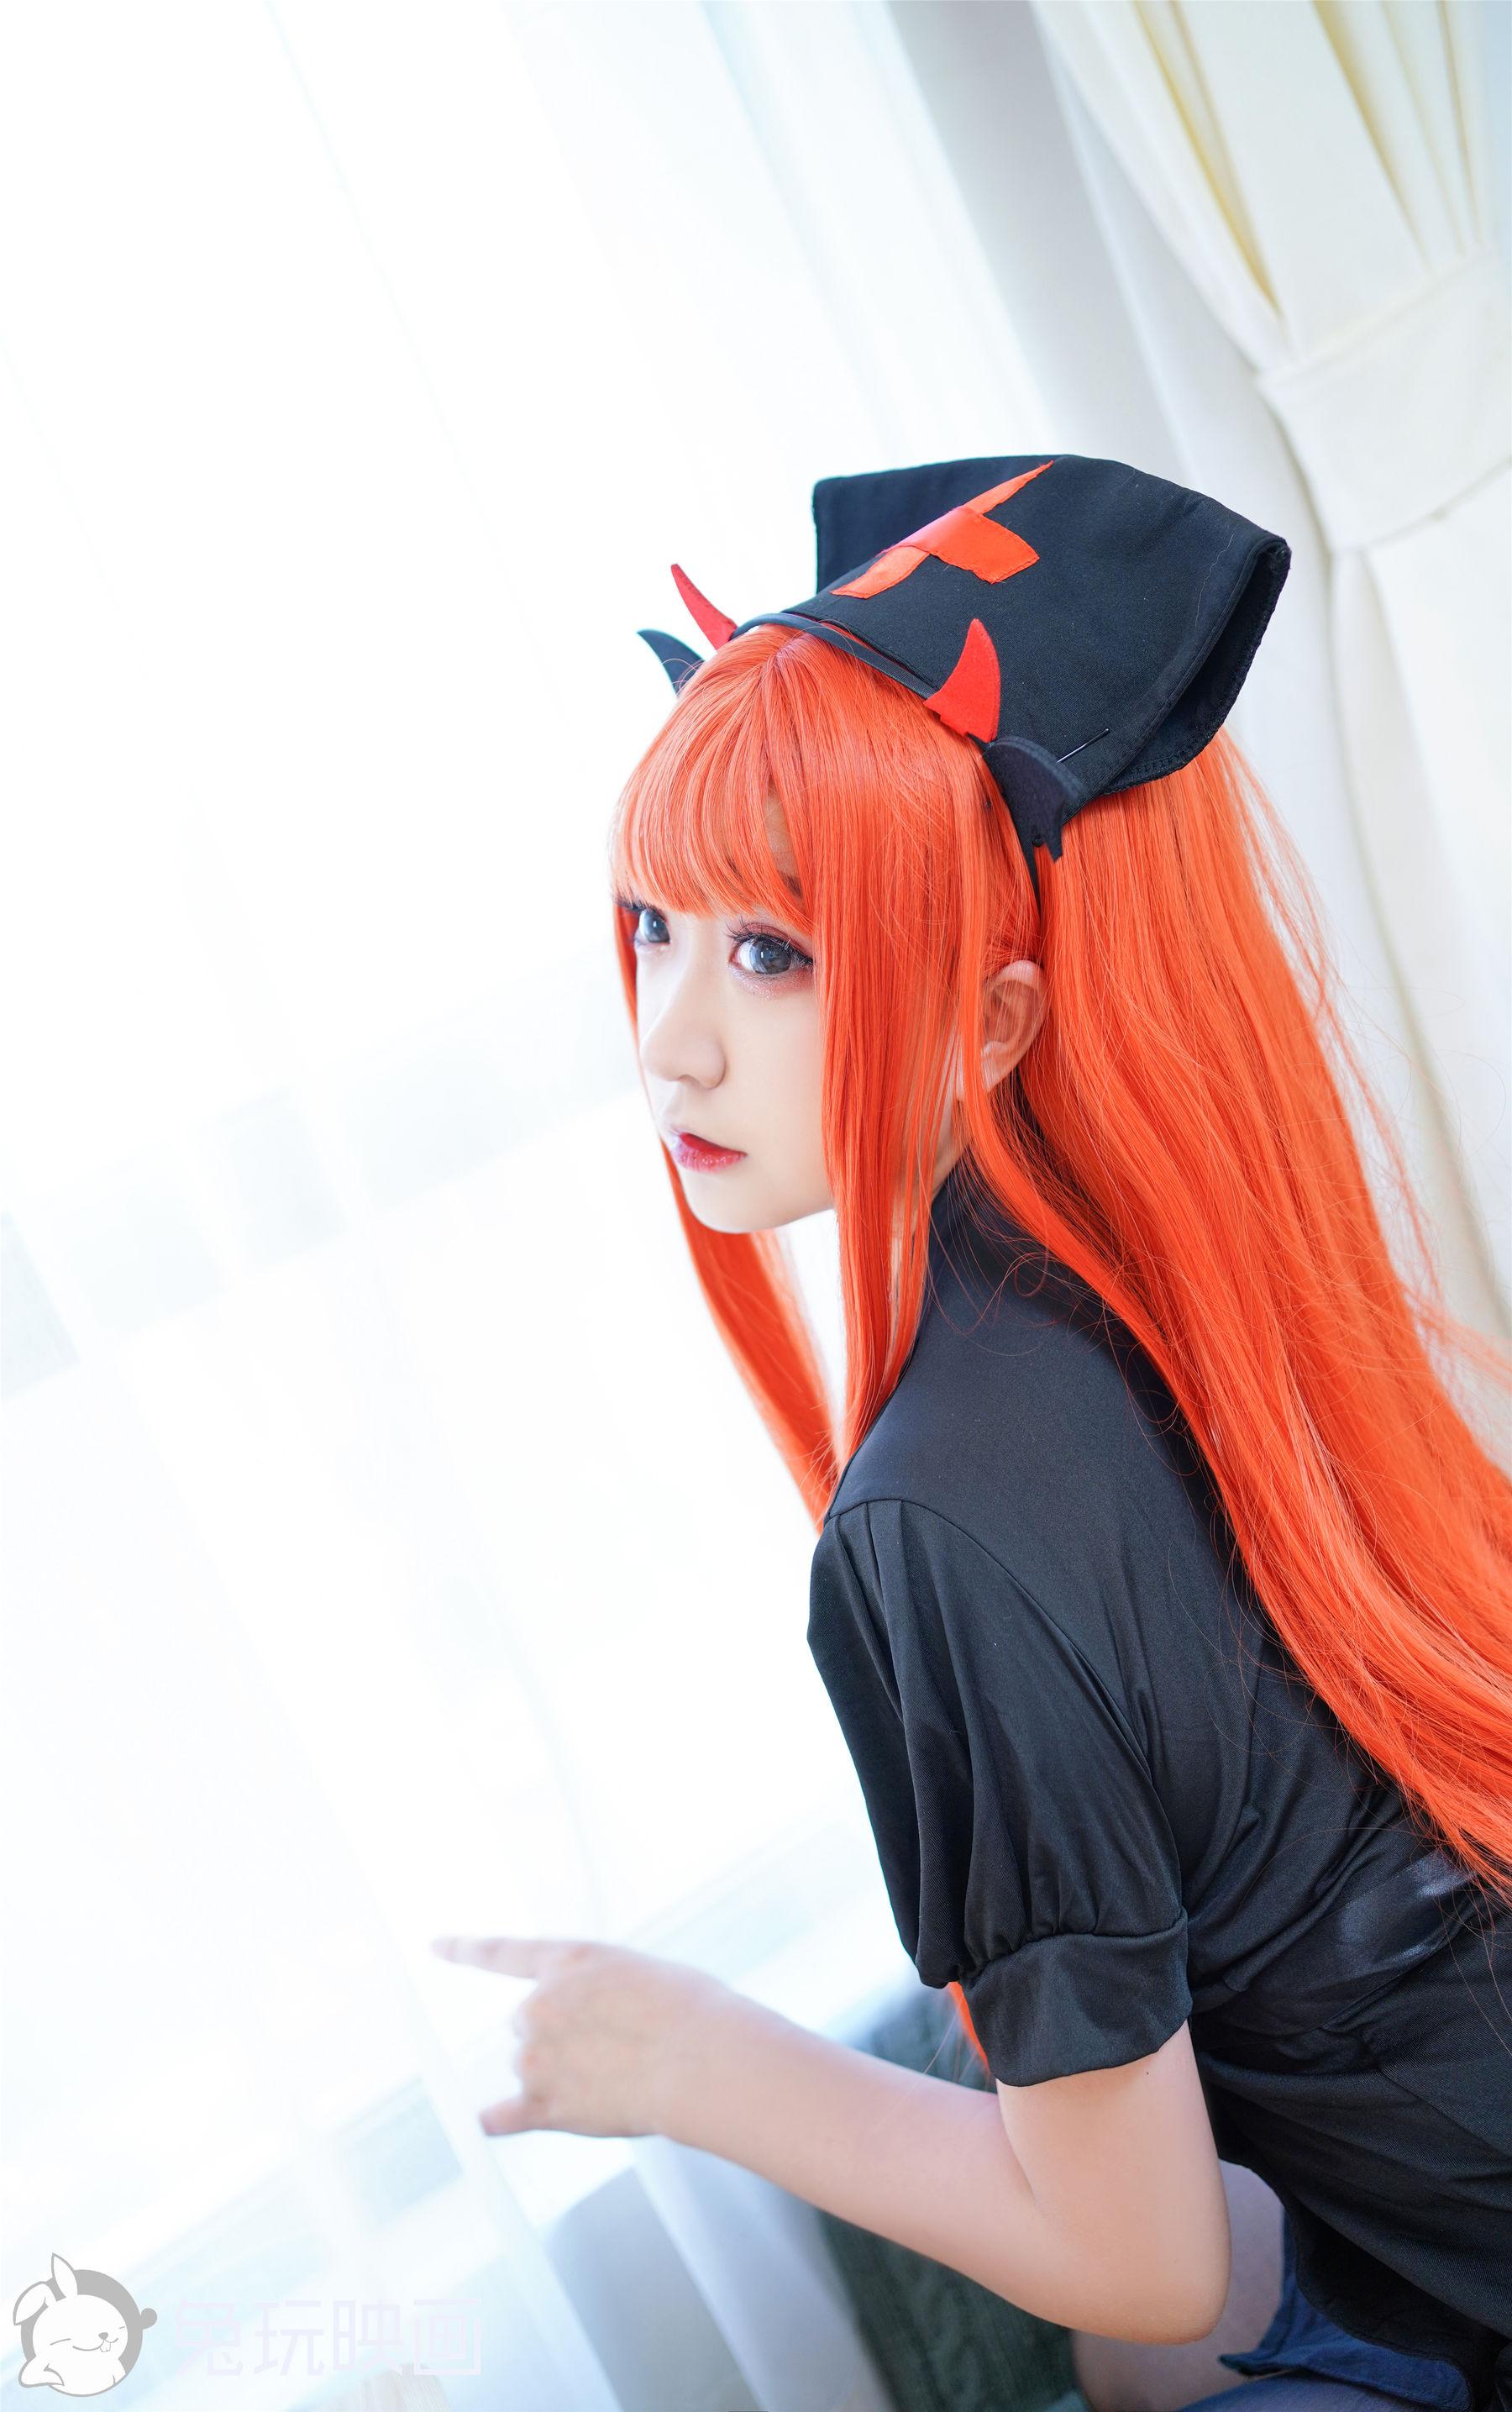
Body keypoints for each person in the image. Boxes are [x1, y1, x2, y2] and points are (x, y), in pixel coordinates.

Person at [432, 455, 1512, 2412]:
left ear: (999, 1018)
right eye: (657, 925)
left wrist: (690, 2056)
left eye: (774, 951)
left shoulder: (934, 1516)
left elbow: (1140, 2254)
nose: (671, 1036)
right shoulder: (1177, 1283)